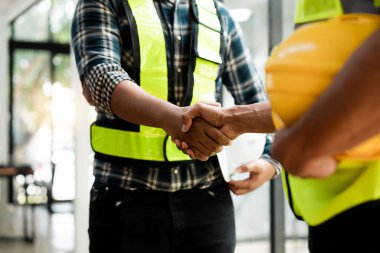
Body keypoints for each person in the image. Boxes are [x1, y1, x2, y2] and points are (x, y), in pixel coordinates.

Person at [71, 0, 280, 252]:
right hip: (125, 200)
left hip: (208, 201)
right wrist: (176, 120)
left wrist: (270, 160)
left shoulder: (219, 15)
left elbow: (255, 98)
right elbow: (100, 77)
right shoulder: (106, 3)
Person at [177, 1, 380, 252]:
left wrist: (301, 146)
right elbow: (320, 95)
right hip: (334, 208)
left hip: (366, 199)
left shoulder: (218, 16)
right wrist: (232, 120)